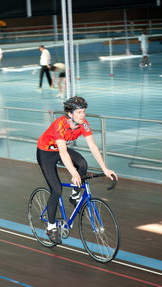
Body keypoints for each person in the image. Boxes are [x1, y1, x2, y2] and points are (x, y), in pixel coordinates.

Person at [36, 96, 117, 244]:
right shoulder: (59, 125)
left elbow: (92, 146)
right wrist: (73, 173)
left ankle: (74, 195)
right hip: (46, 153)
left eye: (83, 112)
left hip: (60, 150)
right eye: (79, 112)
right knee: (56, 190)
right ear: (70, 114)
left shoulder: (83, 124)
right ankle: (51, 226)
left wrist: (104, 168)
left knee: (82, 164)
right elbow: (63, 152)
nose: (83, 115)